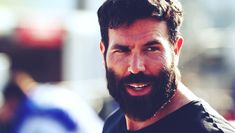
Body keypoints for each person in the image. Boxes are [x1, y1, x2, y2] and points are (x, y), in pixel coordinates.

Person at [97, 0, 235, 132]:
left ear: (176, 49)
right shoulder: (113, 123)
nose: (136, 67)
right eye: (121, 51)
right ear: (103, 52)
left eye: (151, 49)